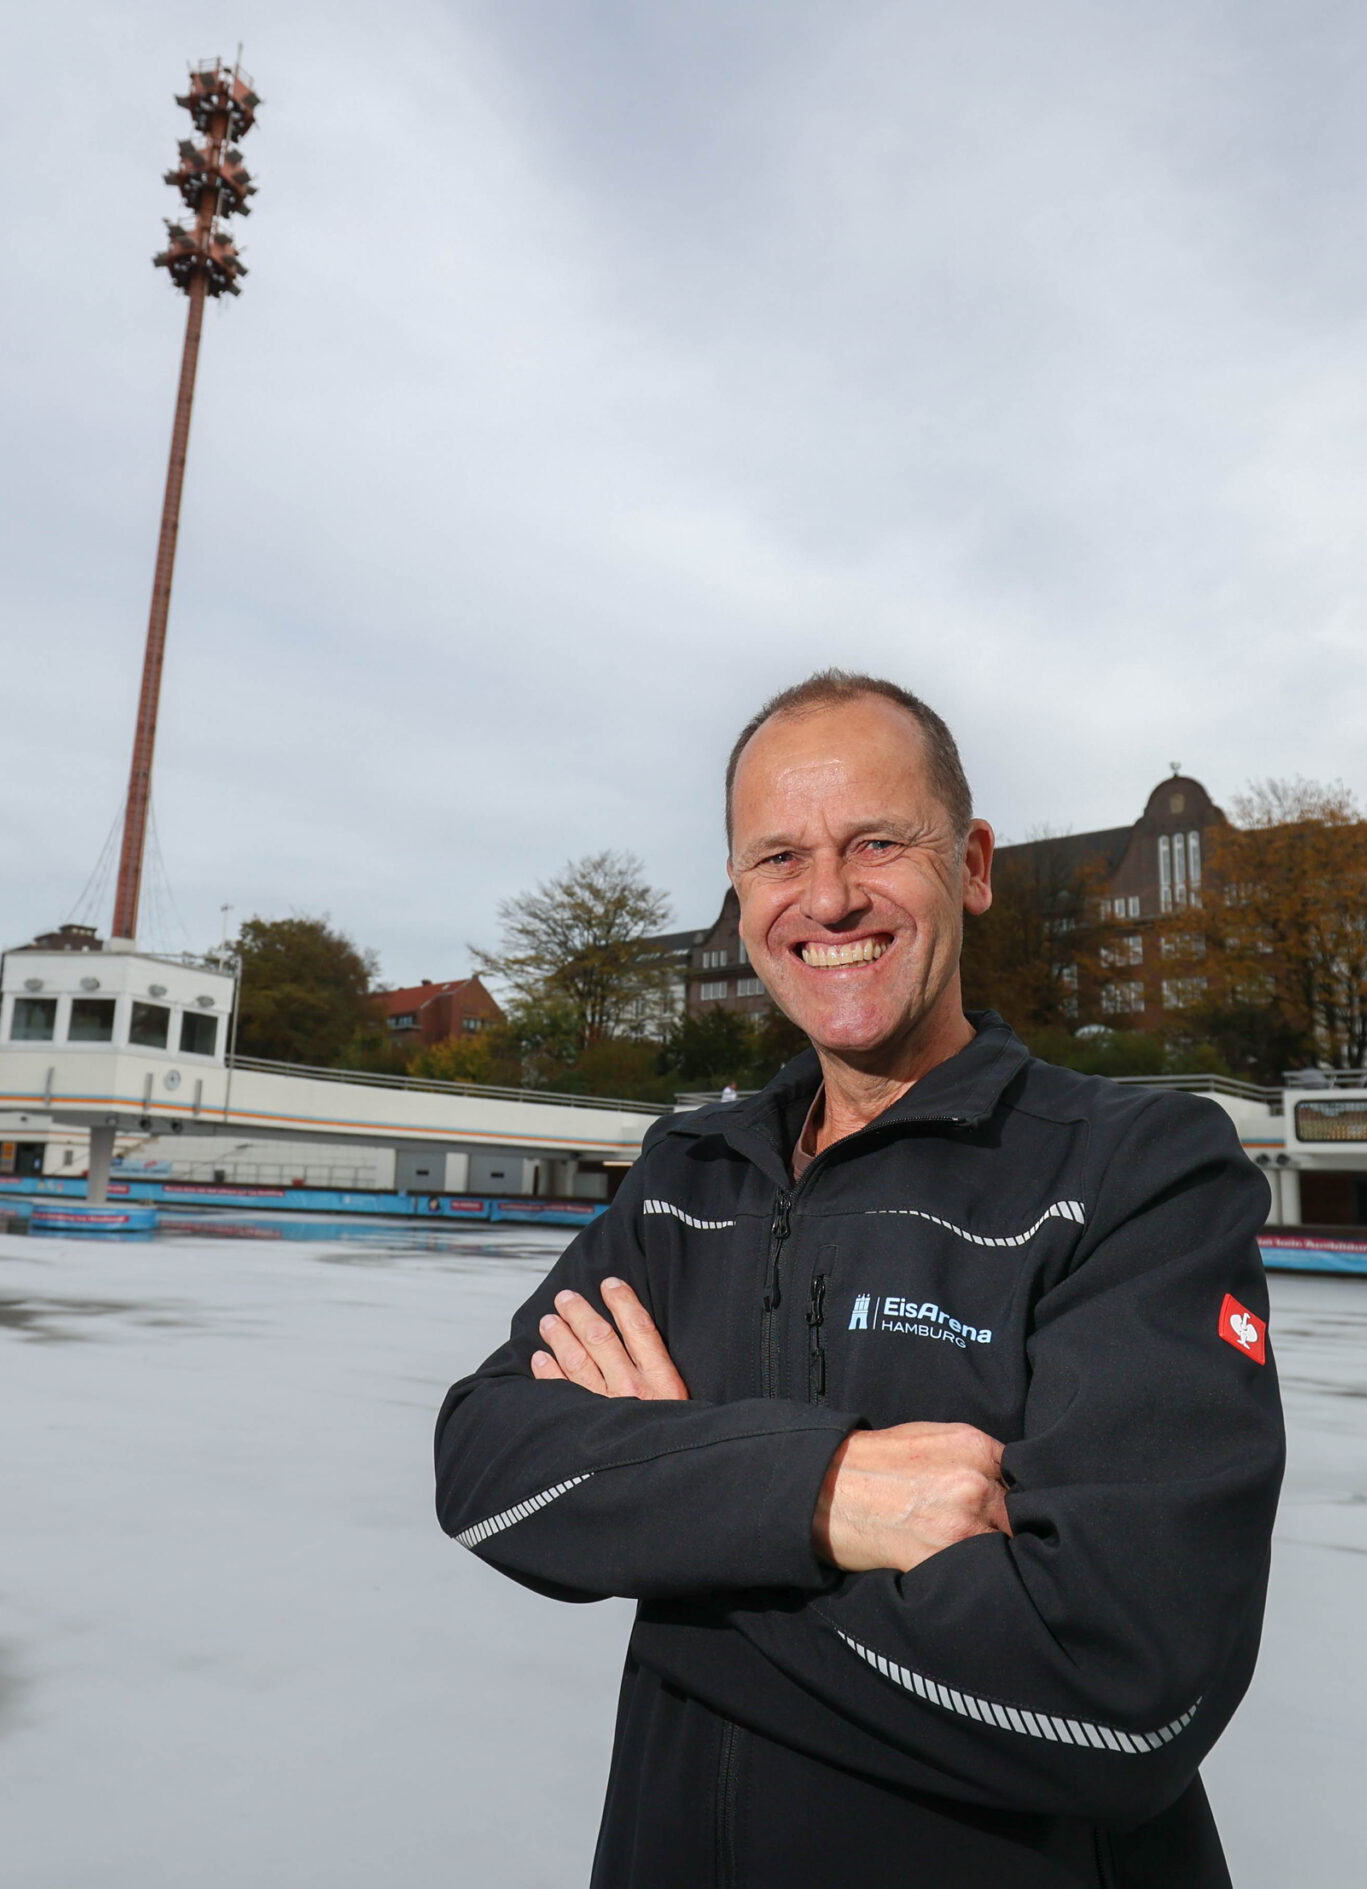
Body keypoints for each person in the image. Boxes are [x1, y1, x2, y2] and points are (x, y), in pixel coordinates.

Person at [434, 672, 1283, 1888]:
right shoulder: (689, 1171)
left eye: (877, 842)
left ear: (972, 865)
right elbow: (485, 1462)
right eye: (777, 858)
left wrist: (661, 1508)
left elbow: (1117, 1688)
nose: (826, 897)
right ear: (740, 902)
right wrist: (822, 1491)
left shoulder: (1134, 1168)